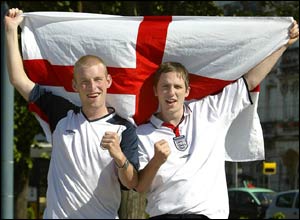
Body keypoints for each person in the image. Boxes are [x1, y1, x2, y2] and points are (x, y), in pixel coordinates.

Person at [134, 20, 299, 219]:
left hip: (208, 215)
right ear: (155, 91)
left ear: (187, 91)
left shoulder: (210, 111)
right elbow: (140, 187)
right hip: (165, 216)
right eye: (165, 87)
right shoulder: (142, 133)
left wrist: (283, 42)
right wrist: (156, 161)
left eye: (177, 87)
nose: (172, 93)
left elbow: (251, 80)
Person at [5, 8, 139, 219]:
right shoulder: (60, 113)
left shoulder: (124, 128)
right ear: (75, 85)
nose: (92, 87)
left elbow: (132, 183)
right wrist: (11, 31)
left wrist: (119, 156)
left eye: (97, 80)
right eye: (85, 82)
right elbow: (18, 80)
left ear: (108, 82)